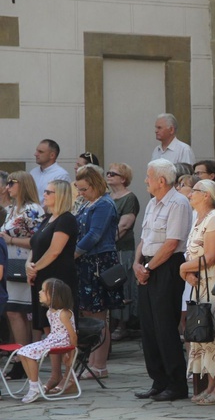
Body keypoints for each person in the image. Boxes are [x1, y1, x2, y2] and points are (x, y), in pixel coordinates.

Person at [132, 159, 192, 402]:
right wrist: (137, 264)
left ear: (161, 180)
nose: (145, 180)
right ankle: (159, 380)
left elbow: (171, 244)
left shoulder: (178, 203)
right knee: (148, 326)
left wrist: (147, 267)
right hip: (147, 265)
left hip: (166, 267)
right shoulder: (152, 203)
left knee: (165, 325)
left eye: (148, 176)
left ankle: (176, 383)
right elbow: (144, 239)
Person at [179, 179, 215, 406]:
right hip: (200, 284)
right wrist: (187, 273)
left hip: (214, 285)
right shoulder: (198, 218)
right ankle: (211, 385)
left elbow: (211, 256)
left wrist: (183, 268)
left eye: (195, 190)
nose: (190, 194)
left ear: (206, 195)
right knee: (205, 336)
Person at [27, 180, 79, 394]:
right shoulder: (47, 219)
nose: (45, 194)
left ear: (61, 195)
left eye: (49, 192)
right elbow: (36, 245)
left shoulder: (67, 220)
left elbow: (55, 250)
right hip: (41, 277)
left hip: (58, 279)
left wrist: (36, 268)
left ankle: (68, 377)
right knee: (48, 328)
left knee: (61, 329)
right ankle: (55, 374)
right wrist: (29, 265)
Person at [74, 165, 122, 380]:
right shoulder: (88, 203)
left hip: (98, 262)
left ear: (94, 185)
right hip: (87, 262)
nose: (81, 193)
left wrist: (72, 253)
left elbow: (94, 234)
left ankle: (100, 364)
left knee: (100, 314)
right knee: (89, 313)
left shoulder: (104, 204)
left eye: (84, 189)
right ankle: (92, 361)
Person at [0, 172, 43, 356]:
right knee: (13, 311)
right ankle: (21, 355)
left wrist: (10, 240)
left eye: (12, 183)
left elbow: (38, 241)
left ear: (23, 185)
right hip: (10, 263)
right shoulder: (11, 209)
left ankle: (25, 357)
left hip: (24, 262)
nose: (7, 187)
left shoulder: (33, 209)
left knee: (21, 311)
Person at [16, 278, 77, 404]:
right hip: (52, 340)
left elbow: (73, 336)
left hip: (60, 342)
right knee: (22, 351)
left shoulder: (64, 314)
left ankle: (34, 388)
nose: (39, 292)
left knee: (29, 352)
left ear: (54, 295)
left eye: (43, 290)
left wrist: (70, 354)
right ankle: (35, 383)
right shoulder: (50, 312)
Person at [106, 163, 140, 341]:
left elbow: (125, 225)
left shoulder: (129, 198)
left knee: (122, 282)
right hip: (108, 248)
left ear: (123, 178)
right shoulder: (108, 196)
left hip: (122, 247)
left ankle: (122, 324)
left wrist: (106, 240)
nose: (109, 175)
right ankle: (110, 322)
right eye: (108, 173)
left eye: (114, 174)